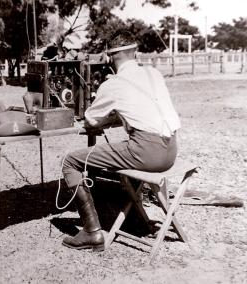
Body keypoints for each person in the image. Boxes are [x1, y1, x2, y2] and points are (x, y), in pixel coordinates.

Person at [61, 31, 181, 251]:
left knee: (70, 162)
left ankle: (91, 232)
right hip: (171, 151)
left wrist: (110, 114)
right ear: (134, 52)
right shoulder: (154, 73)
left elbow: (91, 119)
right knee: (123, 155)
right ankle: (133, 217)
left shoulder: (114, 83)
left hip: (147, 152)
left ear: (110, 57)